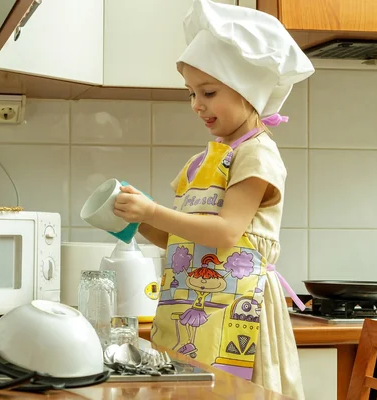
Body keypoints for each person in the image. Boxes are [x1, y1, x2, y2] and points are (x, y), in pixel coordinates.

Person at [112, 1, 314, 398]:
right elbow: (181, 241)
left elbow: (225, 234)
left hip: (242, 311)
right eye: (191, 93)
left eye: (208, 91)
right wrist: (133, 219)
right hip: (192, 307)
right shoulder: (203, 160)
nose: (196, 105)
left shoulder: (256, 153)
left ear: (247, 91)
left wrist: (154, 210)